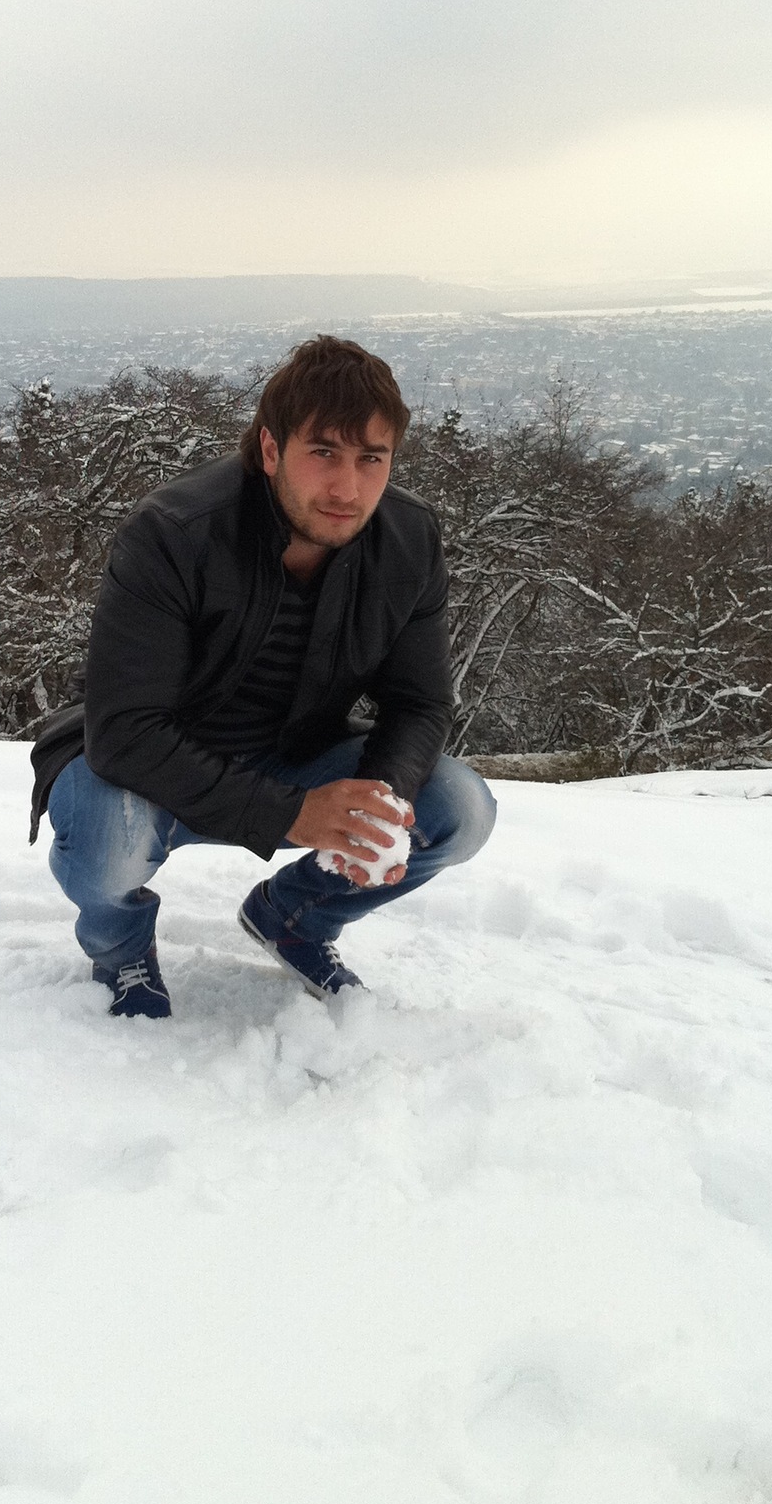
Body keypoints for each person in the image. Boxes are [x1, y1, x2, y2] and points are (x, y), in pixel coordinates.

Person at [29, 335, 497, 1017]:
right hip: (149, 770)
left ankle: (293, 918)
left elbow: (420, 702)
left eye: (371, 458)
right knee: (110, 844)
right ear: (272, 449)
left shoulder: (407, 540)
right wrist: (293, 815)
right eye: (324, 453)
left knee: (460, 808)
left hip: (297, 754)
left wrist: (380, 802)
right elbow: (126, 732)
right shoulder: (174, 532)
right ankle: (120, 950)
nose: (348, 488)